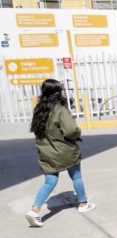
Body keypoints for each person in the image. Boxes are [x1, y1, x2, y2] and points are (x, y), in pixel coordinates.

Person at [26, 79, 96, 227]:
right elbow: (70, 130)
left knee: (49, 182)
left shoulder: (39, 110)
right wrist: (78, 133)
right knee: (76, 176)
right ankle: (83, 203)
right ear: (58, 92)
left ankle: (35, 210)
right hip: (65, 151)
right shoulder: (60, 110)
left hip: (47, 153)